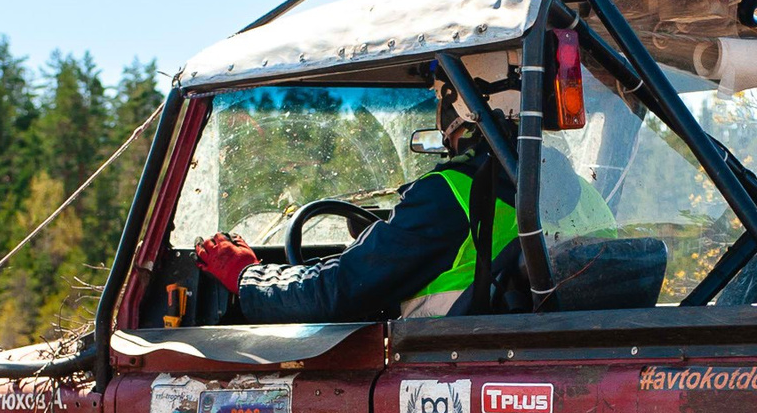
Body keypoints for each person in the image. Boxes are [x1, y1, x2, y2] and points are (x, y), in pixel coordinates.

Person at [194, 57, 615, 324]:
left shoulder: (450, 196)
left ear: (467, 102)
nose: (440, 116)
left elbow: (339, 292)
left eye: (442, 99)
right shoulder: (588, 196)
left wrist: (248, 277)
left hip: (447, 374)